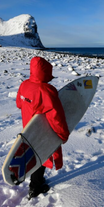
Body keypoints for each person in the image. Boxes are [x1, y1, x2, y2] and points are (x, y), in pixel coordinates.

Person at [16, 56, 70, 199]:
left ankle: (36, 182)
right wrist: (62, 135)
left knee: (34, 154)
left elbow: (19, 104)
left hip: (28, 128)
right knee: (41, 156)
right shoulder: (47, 91)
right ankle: (35, 187)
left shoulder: (24, 85)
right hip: (43, 130)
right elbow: (56, 117)